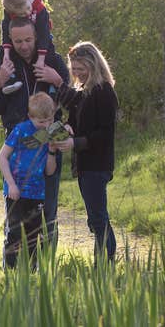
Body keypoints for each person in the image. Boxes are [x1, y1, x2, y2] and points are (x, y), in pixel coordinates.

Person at [0, 17, 68, 247]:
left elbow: (71, 101)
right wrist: (0, 83)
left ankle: (46, 263)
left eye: (28, 40)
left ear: (37, 36)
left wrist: (57, 80)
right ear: (10, 40)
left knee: (48, 212)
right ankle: (15, 263)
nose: (23, 46)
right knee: (15, 212)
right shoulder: (4, 62)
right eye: (18, 41)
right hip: (17, 143)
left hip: (49, 137)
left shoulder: (53, 59)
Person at [45, 41, 119, 264]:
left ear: (94, 65)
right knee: (95, 218)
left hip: (98, 164)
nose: (77, 73)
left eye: (81, 68)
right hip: (85, 165)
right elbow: (78, 121)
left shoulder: (104, 92)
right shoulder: (84, 91)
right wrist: (68, 128)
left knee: (98, 218)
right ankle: (103, 264)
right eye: (74, 69)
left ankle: (104, 265)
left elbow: (105, 134)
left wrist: (75, 143)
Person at [0, 92, 58, 269]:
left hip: (37, 193)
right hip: (15, 191)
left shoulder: (49, 133)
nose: (46, 125)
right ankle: (10, 271)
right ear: (31, 116)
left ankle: (30, 273)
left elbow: (50, 171)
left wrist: (52, 150)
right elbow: (2, 157)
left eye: (49, 120)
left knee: (34, 235)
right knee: (15, 232)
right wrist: (11, 185)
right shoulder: (20, 130)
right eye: (41, 122)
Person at [0, 0, 66, 94]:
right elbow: (6, 31)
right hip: (24, 33)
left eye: (28, 8)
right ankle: (12, 81)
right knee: (9, 56)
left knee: (49, 57)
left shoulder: (41, 9)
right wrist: (6, 53)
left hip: (42, 35)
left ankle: (48, 87)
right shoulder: (9, 11)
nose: (27, 13)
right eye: (21, 14)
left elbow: (44, 34)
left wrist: (41, 58)